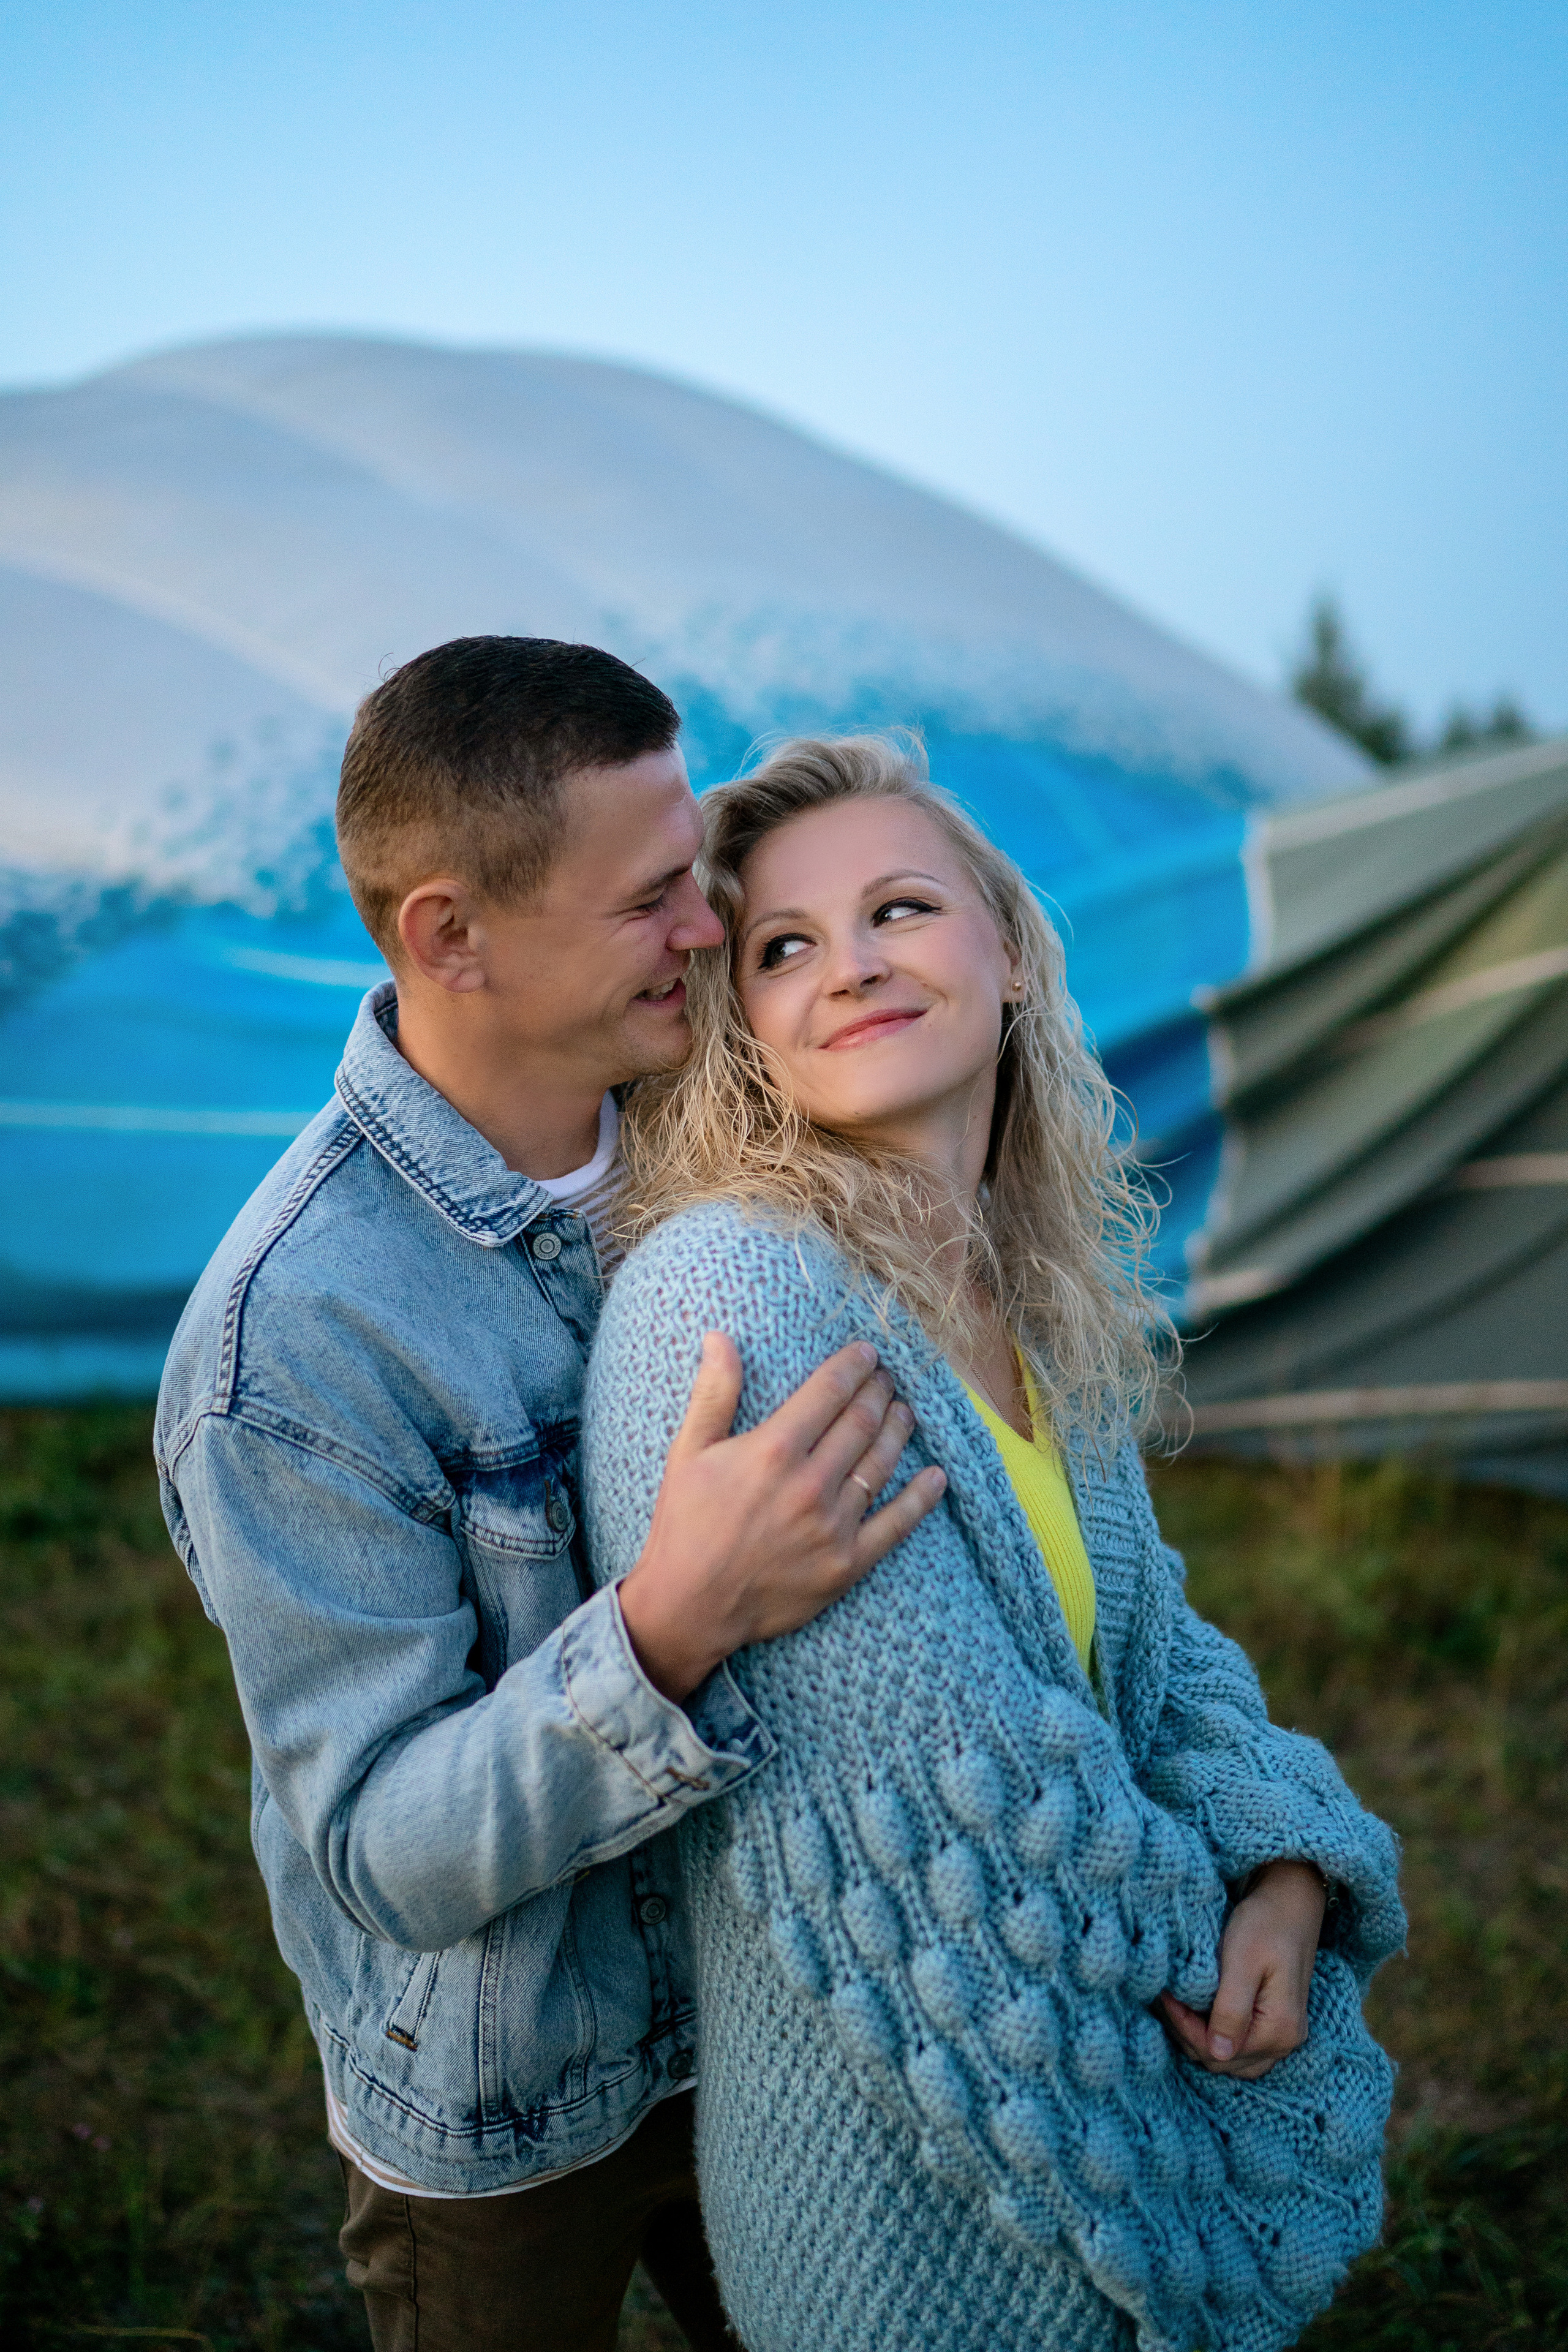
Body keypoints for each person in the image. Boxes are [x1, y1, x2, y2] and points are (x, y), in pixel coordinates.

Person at [154, 644, 946, 2352]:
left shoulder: (723, 1126)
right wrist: (673, 1623)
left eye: (706, 881)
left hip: (775, 2011)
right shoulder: (292, 1340)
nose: (708, 930)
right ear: (454, 937)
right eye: (654, 896)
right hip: (510, 2111)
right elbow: (384, 1848)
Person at [581, 735, 1406, 2352]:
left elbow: (1163, 1670)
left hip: (1082, 2119)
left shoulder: (1025, 1305)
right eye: (785, 948)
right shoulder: (739, 1298)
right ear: (740, 1022)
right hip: (914, 2220)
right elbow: (974, 1833)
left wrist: (1290, 1872)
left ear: (1013, 956)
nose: (854, 967)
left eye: (901, 908)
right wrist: (1218, 1952)